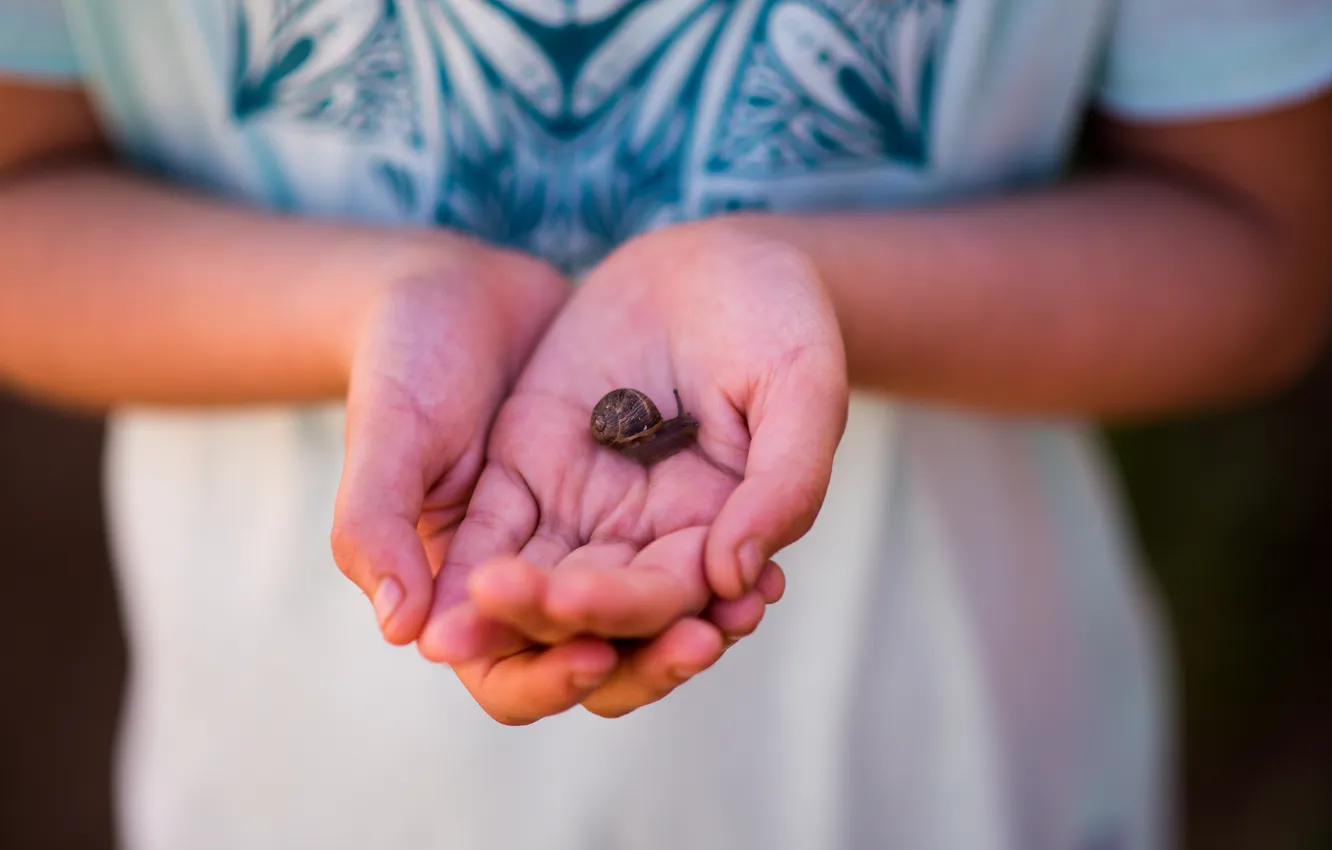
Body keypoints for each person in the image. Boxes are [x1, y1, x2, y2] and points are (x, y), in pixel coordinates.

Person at [2, 0, 1330, 848]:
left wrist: (820, 288)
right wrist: (378, 304)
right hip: (304, 784)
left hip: (950, 771)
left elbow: (1267, 245)